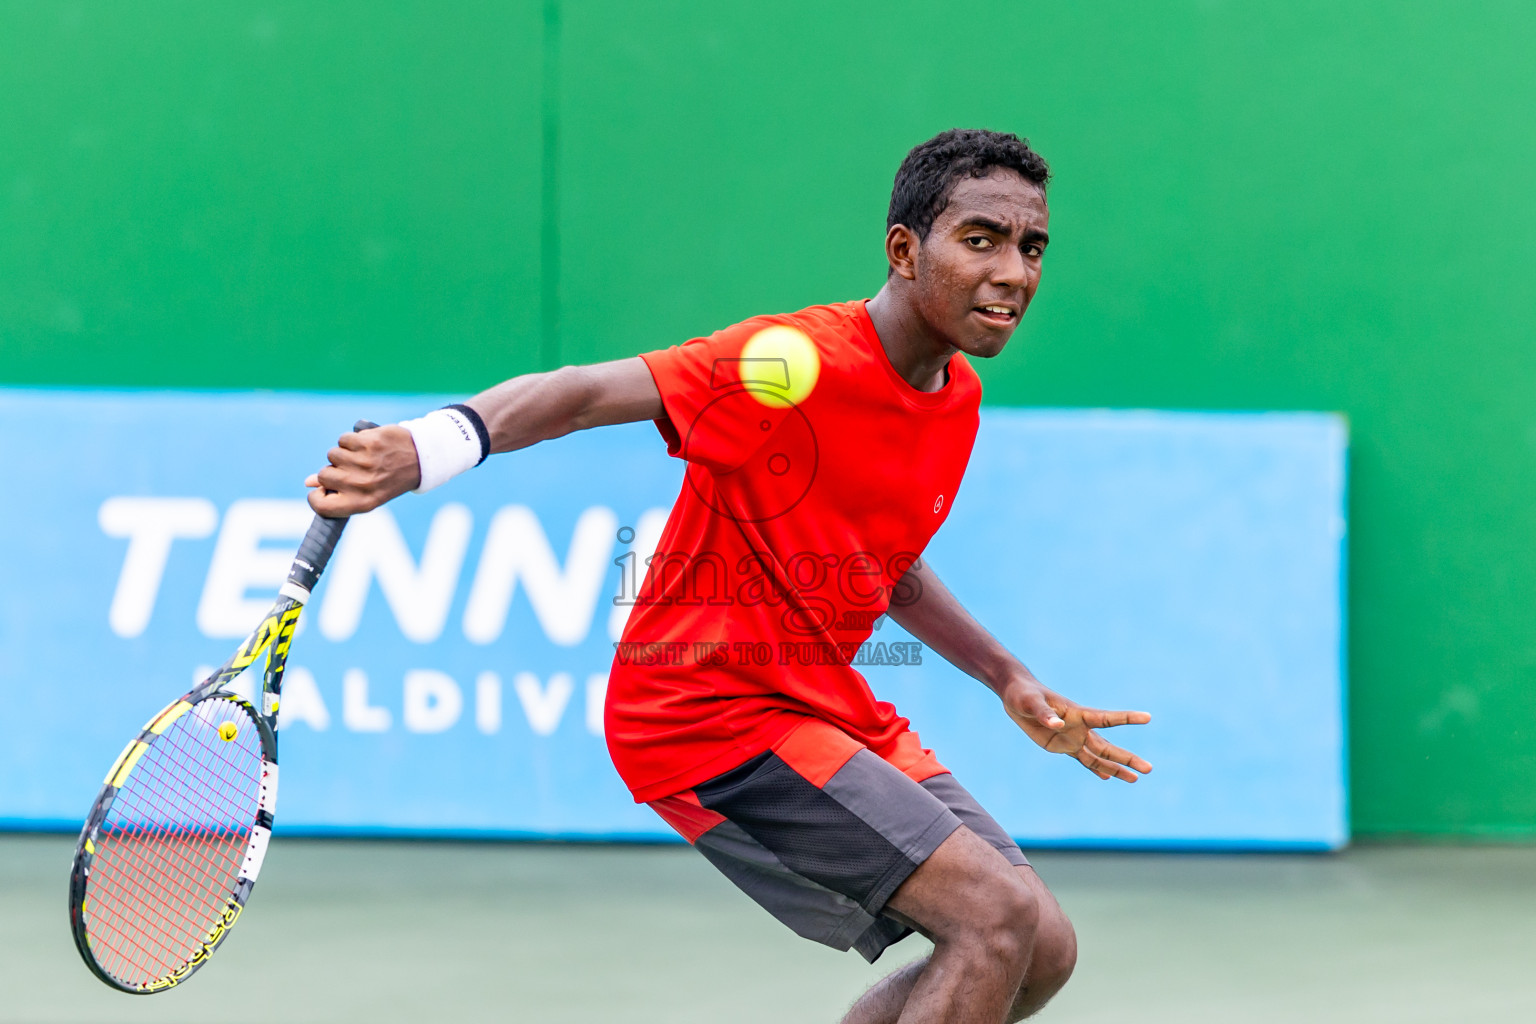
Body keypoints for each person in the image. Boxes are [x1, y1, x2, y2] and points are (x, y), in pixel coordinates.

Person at [307, 128, 1152, 1024]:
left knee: (1042, 948)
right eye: (980, 240)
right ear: (904, 251)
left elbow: (885, 560)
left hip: (819, 701)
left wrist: (1005, 675)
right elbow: (582, 392)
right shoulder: (793, 364)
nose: (1014, 272)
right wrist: (425, 447)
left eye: (1031, 249)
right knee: (993, 915)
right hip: (703, 708)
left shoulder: (956, 397)